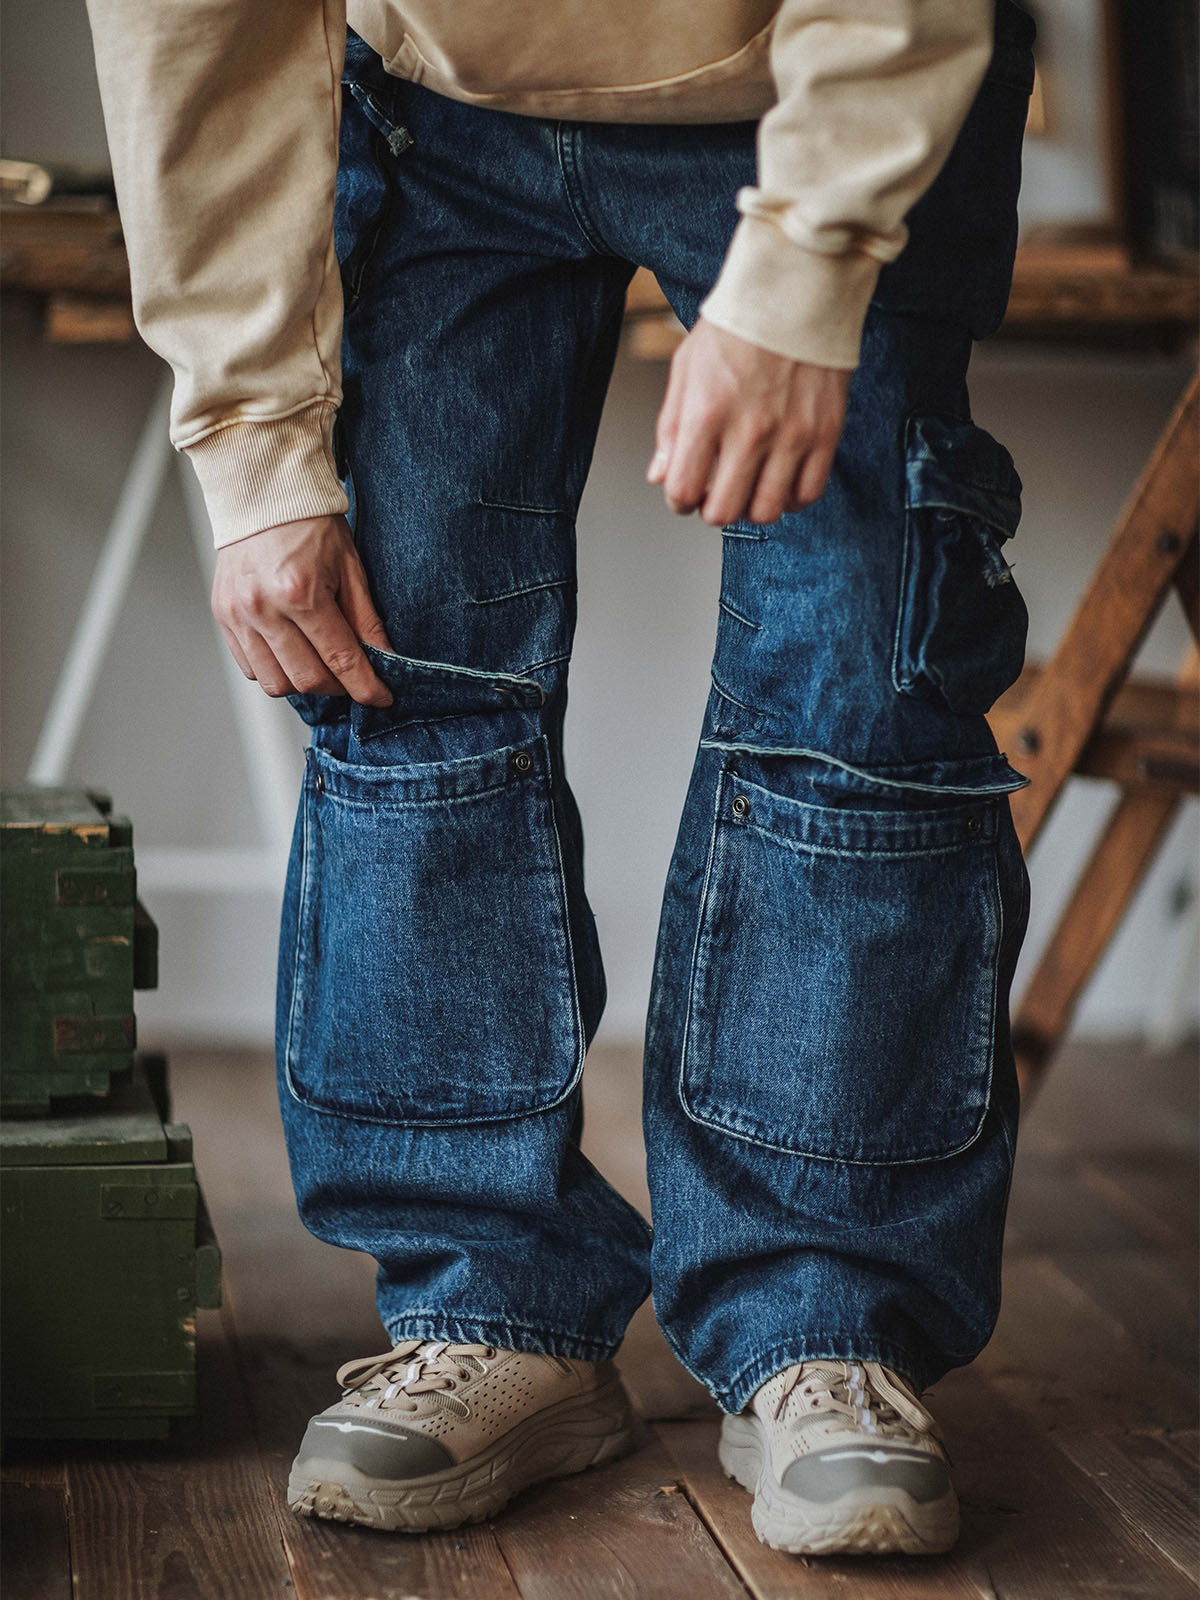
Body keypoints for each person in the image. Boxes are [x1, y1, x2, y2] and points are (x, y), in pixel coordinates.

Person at [83, 0, 1036, 1558]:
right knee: (401, 678)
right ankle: (489, 1303)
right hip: (433, 110)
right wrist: (251, 435)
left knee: (859, 693)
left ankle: (824, 1321)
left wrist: (807, 265)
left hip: (833, 77)